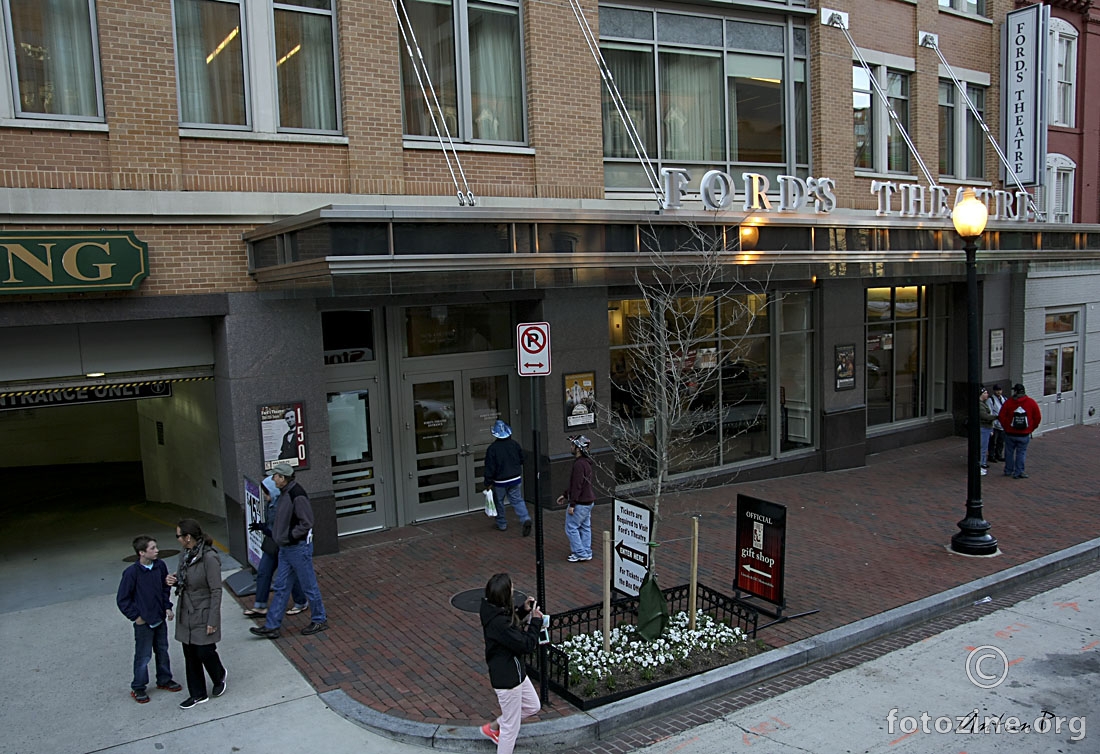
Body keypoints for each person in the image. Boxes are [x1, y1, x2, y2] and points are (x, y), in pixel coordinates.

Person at [250, 463, 330, 639]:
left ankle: (319, 619)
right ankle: (272, 625)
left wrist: (289, 537)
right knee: (281, 586)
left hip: (296, 547)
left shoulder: (296, 495)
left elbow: (306, 522)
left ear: (283, 478)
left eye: (275, 476)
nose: (273, 479)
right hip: (287, 547)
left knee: (308, 586)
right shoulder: (287, 493)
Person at [479, 573, 543, 754]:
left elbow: (510, 617)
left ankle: (492, 727)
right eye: (512, 589)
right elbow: (526, 644)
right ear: (505, 595)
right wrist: (536, 622)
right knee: (510, 729)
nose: (514, 590)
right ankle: (498, 732)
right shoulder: (500, 624)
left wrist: (523, 610)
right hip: (508, 679)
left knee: (532, 706)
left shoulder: (492, 610)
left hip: (515, 672)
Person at [166, 520, 227, 709]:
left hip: (203, 610)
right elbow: (185, 579)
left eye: (178, 535)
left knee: (204, 650)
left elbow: (216, 590)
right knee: (190, 653)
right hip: (187, 608)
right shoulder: (185, 555)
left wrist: (213, 619)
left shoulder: (209, 558)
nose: (177, 539)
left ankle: (219, 675)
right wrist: (174, 580)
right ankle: (198, 694)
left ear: (188, 537)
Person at [116, 535, 182, 703]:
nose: (157, 551)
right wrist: (136, 617)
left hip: (159, 618)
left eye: (156, 547)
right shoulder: (131, 573)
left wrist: (167, 606)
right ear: (141, 553)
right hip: (144, 623)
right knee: (143, 656)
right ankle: (138, 687)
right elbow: (123, 599)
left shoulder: (160, 566)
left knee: (162, 650)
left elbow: (164, 588)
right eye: (152, 548)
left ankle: (164, 679)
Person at [243, 474, 309, 618]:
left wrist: (264, 529)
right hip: (273, 543)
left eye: (267, 492)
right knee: (263, 572)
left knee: (290, 576)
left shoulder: (284, 503)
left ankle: (301, 601)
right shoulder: (271, 503)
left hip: (284, 543)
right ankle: (260, 605)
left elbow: (282, 527)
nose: (265, 496)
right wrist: (265, 527)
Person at [484, 420, 533, 536]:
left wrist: (488, 482)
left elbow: (490, 467)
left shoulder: (492, 449)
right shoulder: (514, 444)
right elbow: (522, 459)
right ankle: (525, 517)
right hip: (515, 478)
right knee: (517, 499)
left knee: (499, 501)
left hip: (500, 481)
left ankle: (502, 523)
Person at [558, 435, 596, 562]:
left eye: (573, 445)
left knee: (571, 527)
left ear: (578, 448)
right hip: (588, 501)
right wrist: (565, 495)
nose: (571, 447)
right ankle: (586, 551)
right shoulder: (586, 463)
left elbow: (576, 486)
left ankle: (580, 553)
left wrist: (572, 504)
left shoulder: (579, 465)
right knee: (585, 527)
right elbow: (578, 485)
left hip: (580, 503)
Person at [998, 383, 1042, 479]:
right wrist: (1031, 428)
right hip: (1024, 434)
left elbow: (1001, 416)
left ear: (1015, 392)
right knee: (1021, 453)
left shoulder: (1009, 402)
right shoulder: (1031, 402)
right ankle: (1019, 471)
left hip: (1010, 433)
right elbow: (1037, 417)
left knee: (1009, 452)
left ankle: (1008, 470)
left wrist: (1006, 427)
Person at [988, 384, 1007, 462]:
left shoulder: (1004, 399)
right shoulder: (991, 400)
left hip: (1002, 424)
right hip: (995, 424)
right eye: (997, 390)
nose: (999, 392)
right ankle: (991, 455)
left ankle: (999, 454)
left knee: (1001, 441)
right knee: (993, 441)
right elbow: (990, 412)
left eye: (1000, 390)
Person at [977, 387, 993, 476]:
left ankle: (982, 463)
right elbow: (985, 416)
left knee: (983, 447)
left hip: (986, 428)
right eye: (985, 393)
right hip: (983, 428)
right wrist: (996, 417)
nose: (987, 394)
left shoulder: (983, 404)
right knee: (982, 448)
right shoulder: (980, 405)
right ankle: (981, 464)